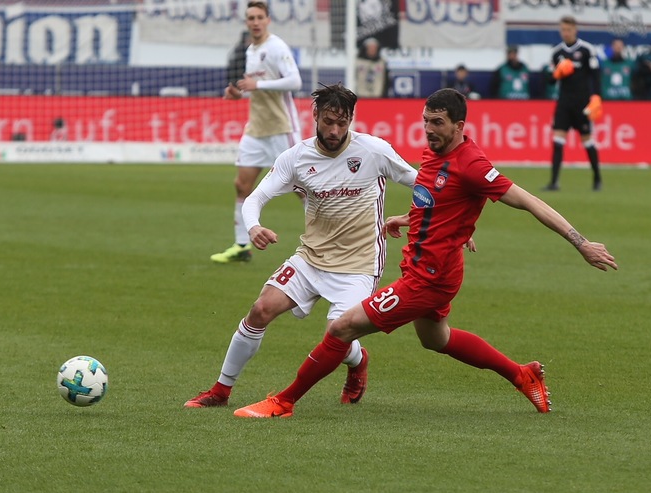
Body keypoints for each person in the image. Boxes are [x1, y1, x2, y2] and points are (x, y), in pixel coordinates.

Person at [233, 88, 618, 419]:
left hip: (427, 278)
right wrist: (408, 218)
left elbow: (529, 201)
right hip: (434, 267)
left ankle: (283, 401)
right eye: (426, 121)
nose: (429, 130)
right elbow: (437, 200)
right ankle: (522, 374)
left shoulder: (472, 164)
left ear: (459, 127)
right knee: (436, 339)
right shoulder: (434, 153)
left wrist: (580, 241)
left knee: (341, 328)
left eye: (438, 123)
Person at [185, 83, 419, 408]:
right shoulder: (295, 158)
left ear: (351, 119)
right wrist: (253, 226)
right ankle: (220, 391)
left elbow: (420, 183)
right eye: (328, 121)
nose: (335, 130)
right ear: (315, 117)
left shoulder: (374, 151)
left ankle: (358, 362)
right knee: (260, 310)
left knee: (337, 335)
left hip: (358, 265)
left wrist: (440, 220)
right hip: (310, 258)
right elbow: (256, 198)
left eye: (342, 122)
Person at [211, 1, 303, 263]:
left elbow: (295, 81)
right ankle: (242, 246)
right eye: (250, 17)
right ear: (246, 21)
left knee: (302, 187)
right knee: (242, 185)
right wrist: (239, 94)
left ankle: (327, 236)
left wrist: (257, 84)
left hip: (280, 127)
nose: (255, 22)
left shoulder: (276, 47)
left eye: (259, 17)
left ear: (268, 20)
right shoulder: (251, 50)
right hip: (256, 127)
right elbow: (255, 88)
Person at [543, 16, 603, 192]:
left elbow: (595, 75)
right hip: (564, 103)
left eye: (568, 30)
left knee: (587, 141)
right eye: (563, 30)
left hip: (582, 104)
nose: (565, 33)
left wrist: (597, 97)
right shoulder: (556, 52)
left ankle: (597, 178)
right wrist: (557, 74)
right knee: (558, 141)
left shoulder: (586, 50)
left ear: (575, 30)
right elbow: (550, 81)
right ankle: (554, 182)